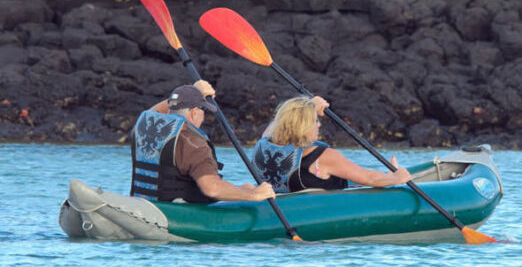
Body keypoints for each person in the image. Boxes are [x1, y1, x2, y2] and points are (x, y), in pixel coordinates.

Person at [131, 80, 275, 204]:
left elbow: (153, 112)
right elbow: (211, 188)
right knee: (249, 188)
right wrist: (254, 194)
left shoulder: (142, 130)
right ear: (194, 112)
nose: (204, 116)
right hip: (178, 211)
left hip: (146, 202)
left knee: (246, 187)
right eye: (203, 110)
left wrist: (192, 91)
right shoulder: (194, 144)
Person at [252, 95, 412, 193]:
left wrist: (311, 104)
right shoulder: (323, 157)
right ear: (304, 126)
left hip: (281, 203)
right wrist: (396, 178)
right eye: (315, 121)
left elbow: (279, 123)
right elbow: (369, 178)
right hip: (320, 211)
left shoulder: (263, 144)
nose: (319, 125)